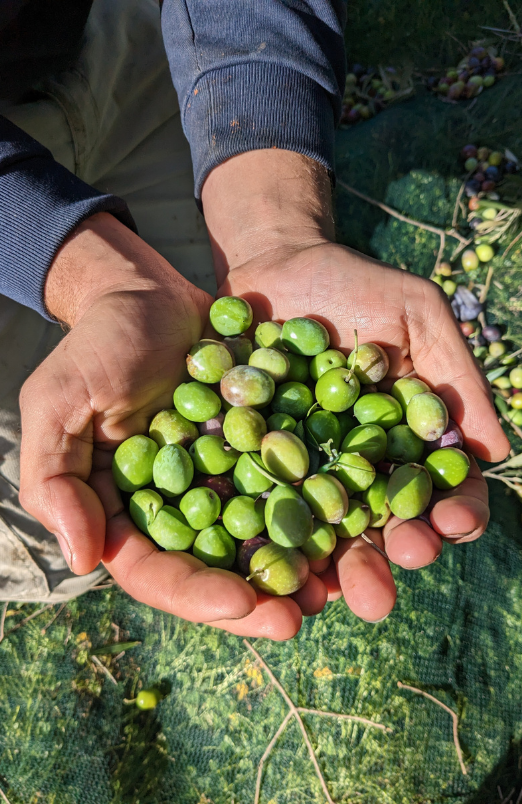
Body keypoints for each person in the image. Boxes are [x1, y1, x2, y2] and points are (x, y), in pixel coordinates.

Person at [0, 0, 509, 641]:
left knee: (199, 310)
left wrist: (273, 229)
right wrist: (63, 257)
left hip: (107, 42)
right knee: (57, 522)